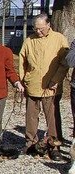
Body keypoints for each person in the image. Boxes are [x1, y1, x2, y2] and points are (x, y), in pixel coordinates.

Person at [18, 13, 69, 161]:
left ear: (48, 25)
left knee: (52, 118)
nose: (38, 31)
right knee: (31, 116)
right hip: (32, 83)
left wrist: (56, 80)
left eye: (41, 28)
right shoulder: (29, 40)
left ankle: (54, 146)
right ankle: (31, 143)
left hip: (51, 86)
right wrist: (23, 80)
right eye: (35, 28)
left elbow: (64, 62)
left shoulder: (59, 39)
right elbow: (22, 61)